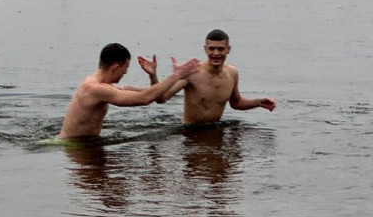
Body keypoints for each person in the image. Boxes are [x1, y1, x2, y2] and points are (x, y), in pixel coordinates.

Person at [59, 43, 200, 139]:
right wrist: (176, 75)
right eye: (125, 68)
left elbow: (144, 93)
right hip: (76, 147)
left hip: (81, 143)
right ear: (115, 68)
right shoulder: (96, 89)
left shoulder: (97, 83)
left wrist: (153, 76)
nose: (125, 73)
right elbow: (143, 99)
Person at [146, 29, 276, 124]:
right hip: (191, 133)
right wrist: (153, 75)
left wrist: (258, 102)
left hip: (215, 131)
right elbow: (161, 98)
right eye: (211, 49)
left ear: (228, 49)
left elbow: (236, 103)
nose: (216, 53)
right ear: (205, 49)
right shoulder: (192, 73)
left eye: (220, 49)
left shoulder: (232, 73)